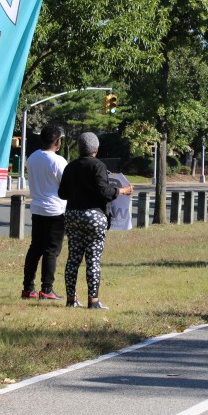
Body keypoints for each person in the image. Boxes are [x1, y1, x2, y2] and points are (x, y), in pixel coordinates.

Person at [57, 132, 134, 309]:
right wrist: (122, 191)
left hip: (73, 215)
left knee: (73, 258)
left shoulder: (70, 166)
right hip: (94, 216)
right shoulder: (98, 166)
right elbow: (104, 192)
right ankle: (93, 301)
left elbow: (62, 193)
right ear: (96, 150)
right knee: (93, 259)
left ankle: (71, 299)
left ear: (79, 148)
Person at [21, 125, 67, 300]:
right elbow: (66, 184)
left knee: (35, 248)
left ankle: (28, 288)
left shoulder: (33, 157)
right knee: (51, 250)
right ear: (57, 141)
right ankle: (47, 288)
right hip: (55, 210)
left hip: (37, 208)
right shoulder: (58, 161)